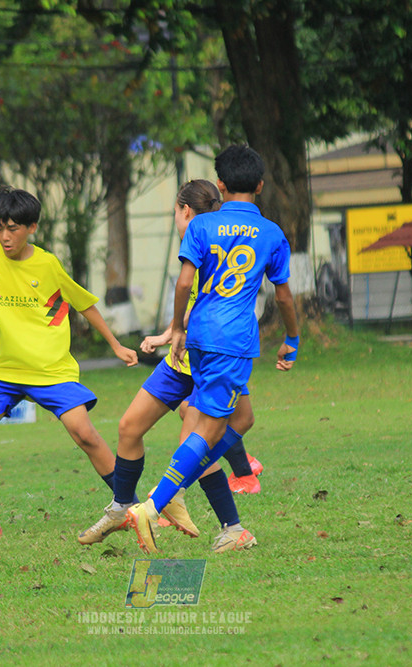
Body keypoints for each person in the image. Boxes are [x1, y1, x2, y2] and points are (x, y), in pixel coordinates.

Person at [126, 145, 300, 554]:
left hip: (201, 336)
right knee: (207, 429)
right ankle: (155, 504)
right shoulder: (272, 234)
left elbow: (185, 284)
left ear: (220, 184)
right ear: (260, 185)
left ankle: (183, 491)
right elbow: (286, 298)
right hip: (234, 341)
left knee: (239, 420)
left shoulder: (203, 227)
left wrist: (176, 327)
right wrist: (291, 339)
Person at [0, 186, 139, 543]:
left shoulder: (47, 264)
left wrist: (115, 345)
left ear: (31, 227)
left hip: (52, 370)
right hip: (4, 371)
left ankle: (131, 508)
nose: (5, 237)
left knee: (84, 434)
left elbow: (84, 304)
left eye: (13, 228)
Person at [76, 180, 261, 548]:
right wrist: (167, 335)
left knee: (198, 446)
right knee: (130, 427)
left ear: (185, 211)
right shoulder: (199, 243)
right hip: (180, 362)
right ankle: (121, 507)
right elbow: (195, 302)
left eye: (175, 212)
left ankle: (231, 527)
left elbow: (203, 300)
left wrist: (174, 331)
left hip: (210, 362)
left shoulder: (209, 245)